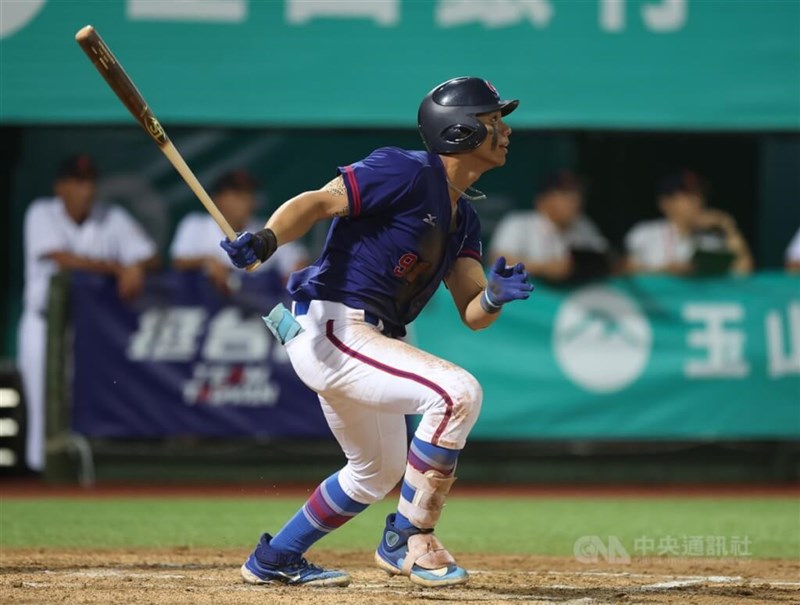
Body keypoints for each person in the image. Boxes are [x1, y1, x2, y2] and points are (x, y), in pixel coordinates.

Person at [220, 77, 532, 588]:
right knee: (457, 394)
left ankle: (275, 558)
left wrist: (493, 296)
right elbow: (319, 202)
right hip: (335, 326)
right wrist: (267, 237)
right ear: (457, 131)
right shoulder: (404, 169)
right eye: (492, 120)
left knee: (377, 472)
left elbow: (472, 311)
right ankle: (408, 535)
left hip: (368, 338)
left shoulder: (464, 217)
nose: (505, 129)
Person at [18, 154, 157, 472]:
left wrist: (134, 266)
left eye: (90, 181)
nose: (86, 189)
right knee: (43, 404)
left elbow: (150, 257)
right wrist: (118, 267)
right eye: (78, 182)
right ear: (61, 187)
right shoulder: (41, 212)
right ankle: (42, 477)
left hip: (89, 331)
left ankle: (79, 476)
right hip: (42, 324)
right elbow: (60, 258)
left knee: (81, 402)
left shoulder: (111, 216)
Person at [171, 170, 308, 292]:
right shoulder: (196, 224)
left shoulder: (267, 229)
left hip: (257, 308)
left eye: (249, 194)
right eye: (238, 194)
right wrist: (205, 262)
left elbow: (298, 261)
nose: (246, 200)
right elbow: (178, 261)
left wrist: (294, 281)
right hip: (202, 306)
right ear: (218, 199)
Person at [489, 170, 610, 283]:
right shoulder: (518, 223)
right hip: (522, 302)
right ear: (542, 200)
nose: (575, 200)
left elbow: (607, 260)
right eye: (566, 194)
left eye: (578, 193)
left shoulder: (584, 226)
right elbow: (498, 263)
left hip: (569, 302)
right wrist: (544, 268)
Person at [625, 171, 753, 275]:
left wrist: (728, 226)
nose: (696, 201)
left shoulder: (710, 239)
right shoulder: (645, 232)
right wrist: (665, 272)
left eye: (699, 195)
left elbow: (743, 271)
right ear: (665, 203)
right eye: (687, 195)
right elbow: (624, 272)